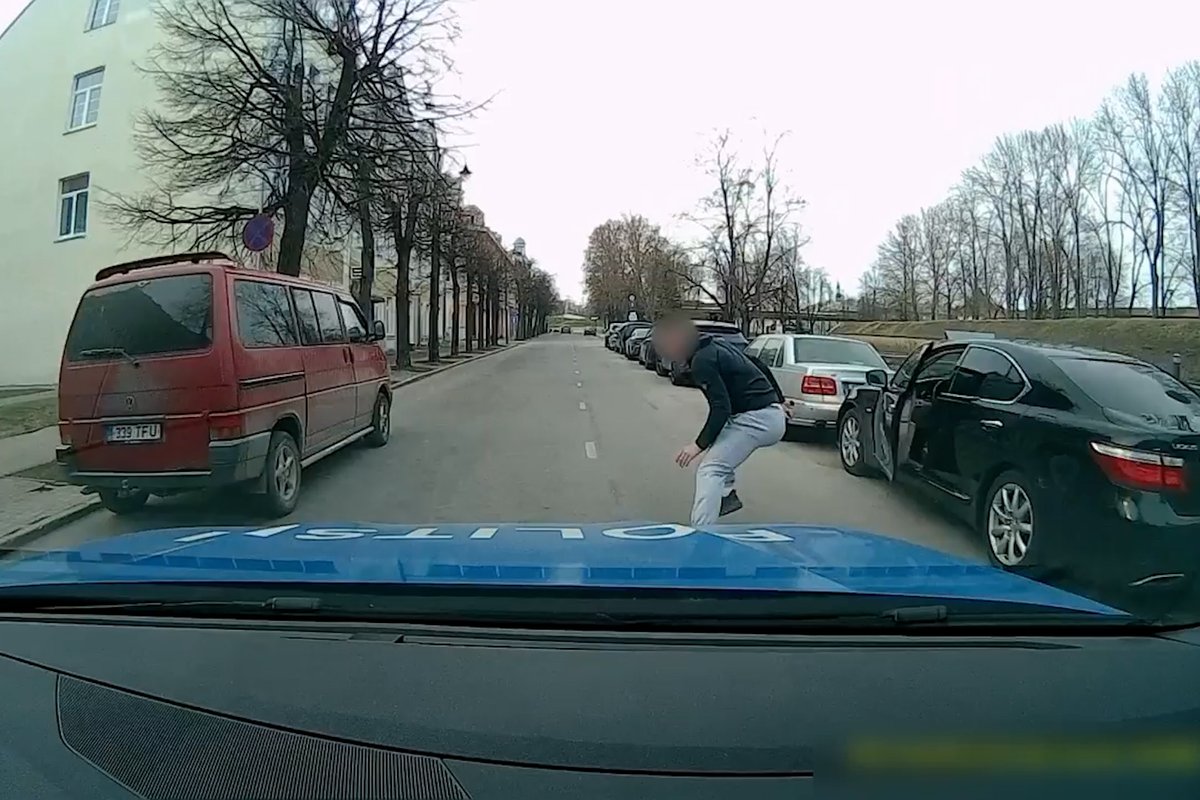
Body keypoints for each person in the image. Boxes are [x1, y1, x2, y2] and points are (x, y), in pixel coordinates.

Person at [653, 315, 788, 526]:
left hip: (757, 419)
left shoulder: (702, 362)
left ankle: (701, 533)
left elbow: (721, 408)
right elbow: (758, 363)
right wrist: (779, 400)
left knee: (710, 469)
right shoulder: (718, 345)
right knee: (719, 452)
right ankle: (725, 495)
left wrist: (696, 446)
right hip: (765, 414)